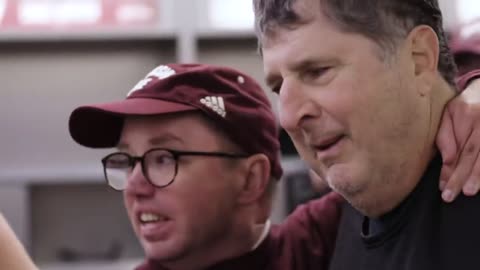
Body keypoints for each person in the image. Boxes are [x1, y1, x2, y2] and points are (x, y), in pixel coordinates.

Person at [69, 60, 480, 269]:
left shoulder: (322, 242)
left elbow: (410, 143)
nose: (137, 185)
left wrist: (470, 92)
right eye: (127, 160)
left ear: (251, 179)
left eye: (163, 158)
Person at [254, 0, 480, 269]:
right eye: (278, 87)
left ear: (419, 60)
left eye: (317, 72)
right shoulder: (334, 226)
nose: (289, 118)